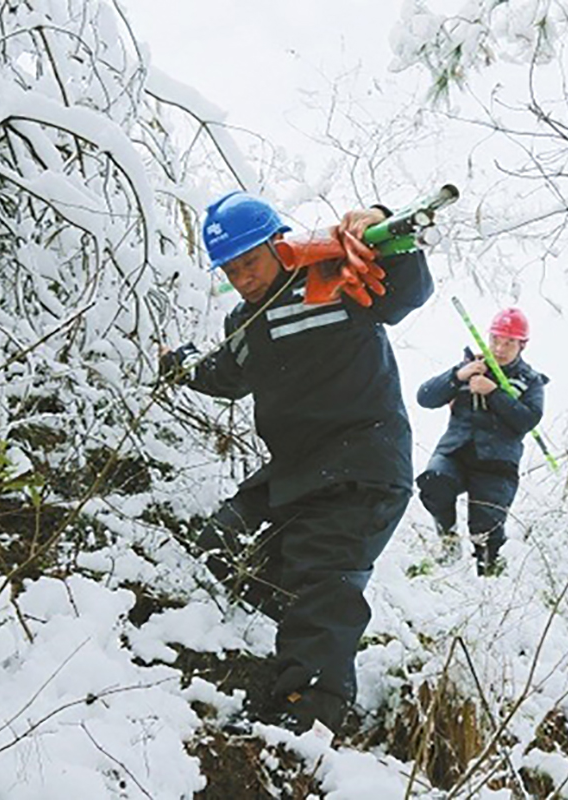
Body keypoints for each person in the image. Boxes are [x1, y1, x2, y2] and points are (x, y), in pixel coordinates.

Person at [161, 190, 433, 734]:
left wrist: (382, 224)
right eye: (230, 269)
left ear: (278, 244)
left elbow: (407, 289)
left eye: (250, 261)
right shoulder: (246, 323)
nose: (243, 276)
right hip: (293, 472)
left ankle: (305, 719)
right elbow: (223, 375)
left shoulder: (335, 280)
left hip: (362, 465)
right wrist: (179, 367)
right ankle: (322, 628)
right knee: (221, 542)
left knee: (320, 578)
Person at [415, 308, 548, 576]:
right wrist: (457, 376)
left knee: (486, 534)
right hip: (455, 451)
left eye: (509, 342)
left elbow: (527, 420)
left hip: (497, 463)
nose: (500, 348)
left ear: (522, 345)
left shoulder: (531, 382)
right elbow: (425, 397)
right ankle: (448, 540)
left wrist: (495, 393)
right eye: (496, 339)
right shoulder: (468, 366)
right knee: (433, 481)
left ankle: (488, 586)